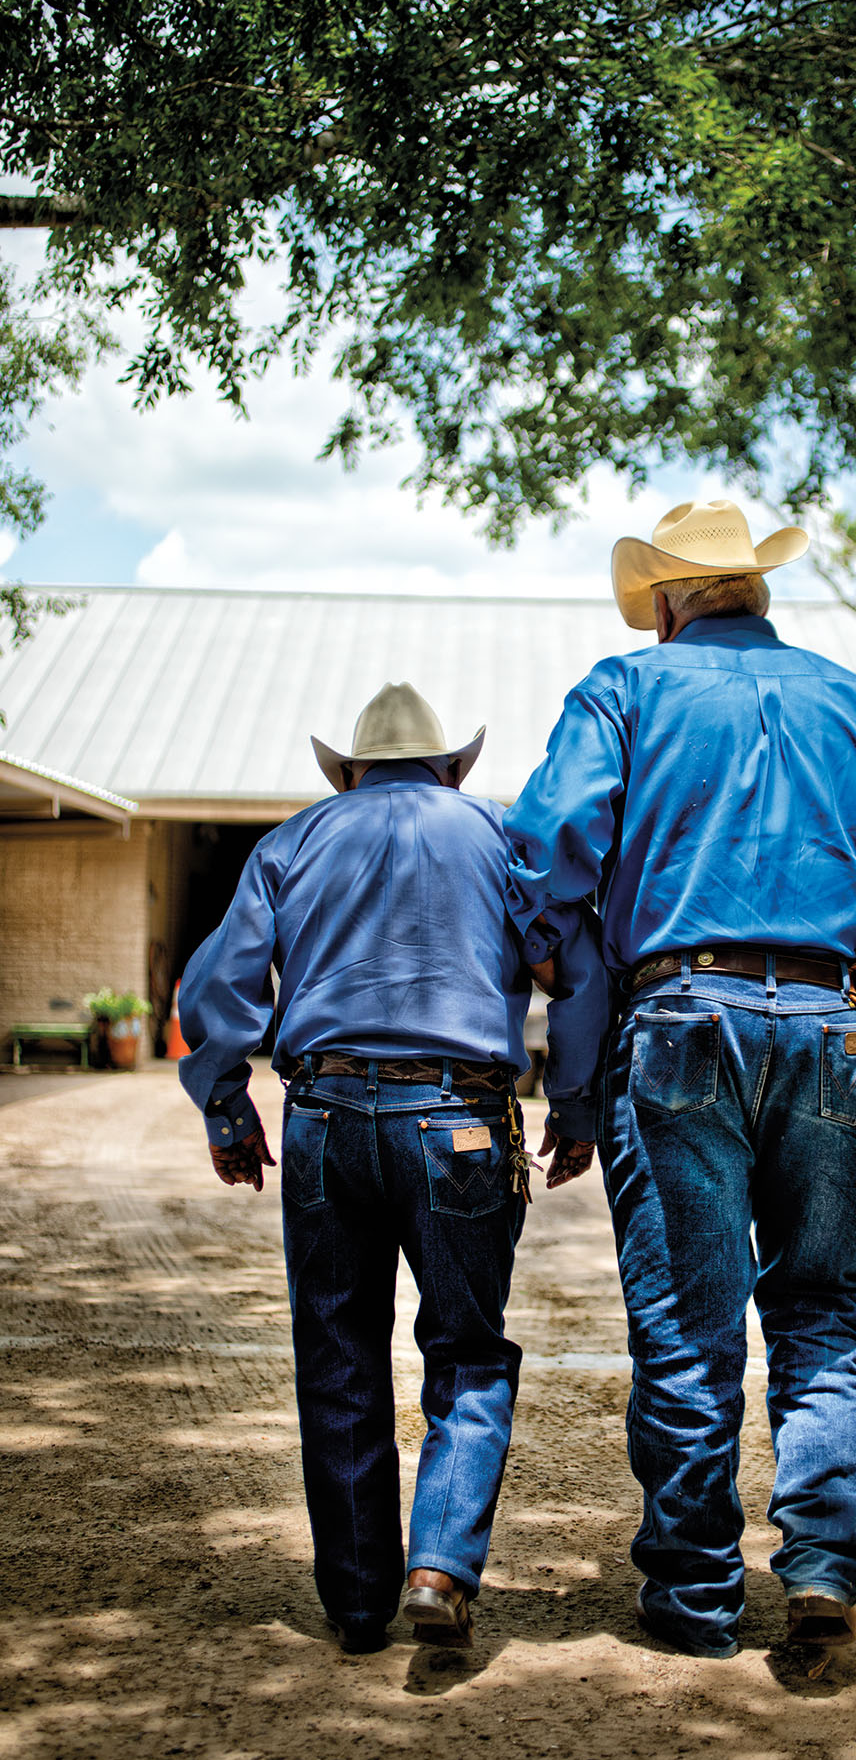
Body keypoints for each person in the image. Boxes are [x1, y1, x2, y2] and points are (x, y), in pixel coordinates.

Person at [503, 498, 856, 1661]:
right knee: (821, 1308)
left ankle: (697, 1595)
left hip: (679, 1016)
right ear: (755, 590)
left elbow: (544, 853)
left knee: (687, 1329)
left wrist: (561, 1032)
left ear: (668, 599)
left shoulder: (624, 692)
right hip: (830, 1018)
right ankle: (820, 1562)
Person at [178, 683, 602, 1654]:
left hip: (324, 1120)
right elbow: (570, 965)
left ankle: (360, 1607)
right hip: (456, 1119)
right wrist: (577, 1106)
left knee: (337, 1358)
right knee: (467, 1351)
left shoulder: (292, 843)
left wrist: (227, 1106)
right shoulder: (498, 838)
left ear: (352, 769)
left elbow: (217, 987)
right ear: (453, 767)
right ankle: (440, 1568)